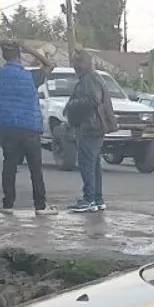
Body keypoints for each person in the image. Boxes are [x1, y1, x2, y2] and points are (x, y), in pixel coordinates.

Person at [0, 39, 55, 215]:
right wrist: (29, 49)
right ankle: (40, 206)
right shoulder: (30, 77)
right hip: (30, 126)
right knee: (35, 168)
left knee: (9, 166)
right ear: (20, 56)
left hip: (7, 126)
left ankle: (8, 204)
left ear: (4, 56)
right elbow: (49, 65)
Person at [66, 50, 116, 213]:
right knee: (93, 164)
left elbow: (92, 99)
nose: (73, 66)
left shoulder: (89, 79)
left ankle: (89, 199)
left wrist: (72, 104)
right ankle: (96, 198)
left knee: (87, 163)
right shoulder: (94, 77)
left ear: (81, 64)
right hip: (95, 126)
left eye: (74, 63)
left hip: (90, 126)